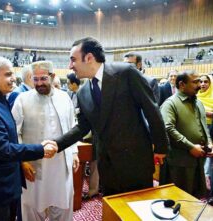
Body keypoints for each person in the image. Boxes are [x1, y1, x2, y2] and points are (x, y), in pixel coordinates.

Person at [54, 37, 169, 196]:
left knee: (138, 211)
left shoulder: (126, 73)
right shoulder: (82, 92)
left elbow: (152, 110)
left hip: (135, 161)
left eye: (73, 60)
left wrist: (161, 147)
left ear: (89, 58)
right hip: (107, 165)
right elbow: (82, 127)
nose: (70, 66)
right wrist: (56, 144)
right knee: (112, 211)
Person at [0, 56, 58, 221]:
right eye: (8, 74)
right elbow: (3, 149)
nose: (13, 78)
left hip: (4, 187)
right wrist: (40, 149)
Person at [12, 60, 79, 221]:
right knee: (32, 210)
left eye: (43, 79)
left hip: (61, 166)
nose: (39, 83)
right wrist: (22, 161)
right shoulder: (22, 99)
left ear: (53, 76)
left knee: (63, 208)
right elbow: (14, 132)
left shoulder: (64, 98)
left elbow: (72, 127)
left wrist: (74, 152)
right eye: (36, 79)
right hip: (33, 166)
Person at [160, 70, 213, 197]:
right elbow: (168, 128)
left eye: (200, 81)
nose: (199, 85)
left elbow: (203, 126)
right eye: (195, 82)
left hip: (197, 160)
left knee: (194, 198)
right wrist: (190, 146)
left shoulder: (198, 103)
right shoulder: (170, 103)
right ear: (182, 84)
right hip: (179, 162)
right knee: (178, 199)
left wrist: (209, 142)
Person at [197, 74, 213, 197]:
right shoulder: (195, 96)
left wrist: (206, 113)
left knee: (209, 157)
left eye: (206, 82)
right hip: (198, 129)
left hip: (211, 129)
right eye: (200, 82)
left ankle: (208, 190)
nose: (203, 84)